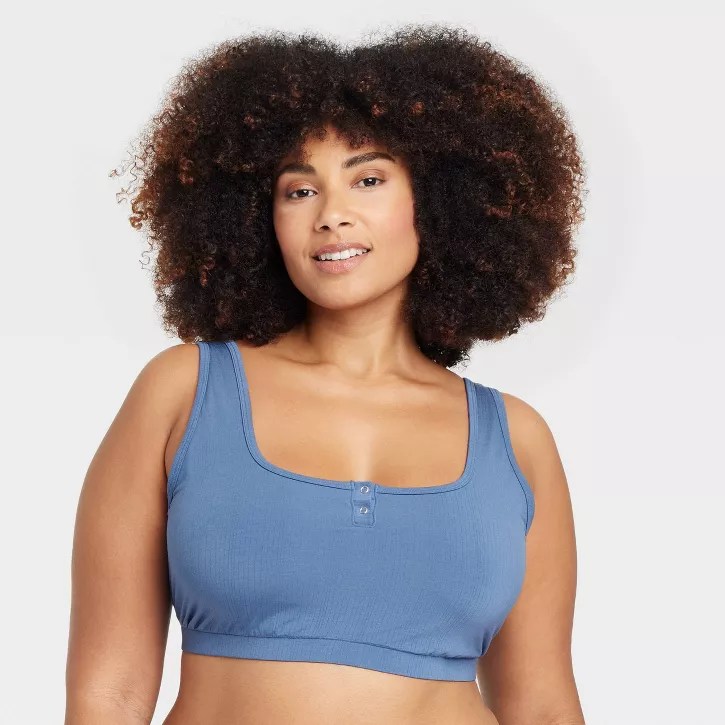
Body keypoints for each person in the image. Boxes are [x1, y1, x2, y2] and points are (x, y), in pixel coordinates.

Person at [65, 23, 586, 725]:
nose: (332, 215)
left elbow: (543, 705)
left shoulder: (514, 440)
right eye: (298, 190)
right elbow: (107, 695)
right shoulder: (185, 393)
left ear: (439, 200)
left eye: (368, 180)